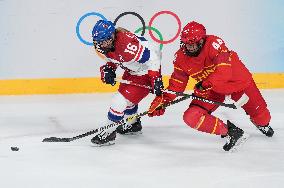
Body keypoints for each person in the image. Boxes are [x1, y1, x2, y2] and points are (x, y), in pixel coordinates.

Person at [148, 21, 274, 151]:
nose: (189, 47)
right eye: (186, 43)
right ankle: (232, 133)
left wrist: (205, 84)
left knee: (263, 118)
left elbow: (224, 72)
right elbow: (177, 84)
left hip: (236, 82)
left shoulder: (214, 43)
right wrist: (162, 100)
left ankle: (261, 123)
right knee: (191, 117)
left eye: (193, 44)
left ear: (202, 40)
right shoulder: (180, 57)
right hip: (211, 89)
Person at [91, 20, 163, 146]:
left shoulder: (127, 46)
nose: (101, 44)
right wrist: (110, 68)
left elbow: (153, 58)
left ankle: (109, 132)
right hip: (133, 69)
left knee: (119, 101)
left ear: (112, 36)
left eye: (104, 40)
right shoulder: (106, 45)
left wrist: (155, 78)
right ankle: (133, 124)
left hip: (145, 71)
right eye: (99, 41)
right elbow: (116, 57)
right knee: (128, 101)